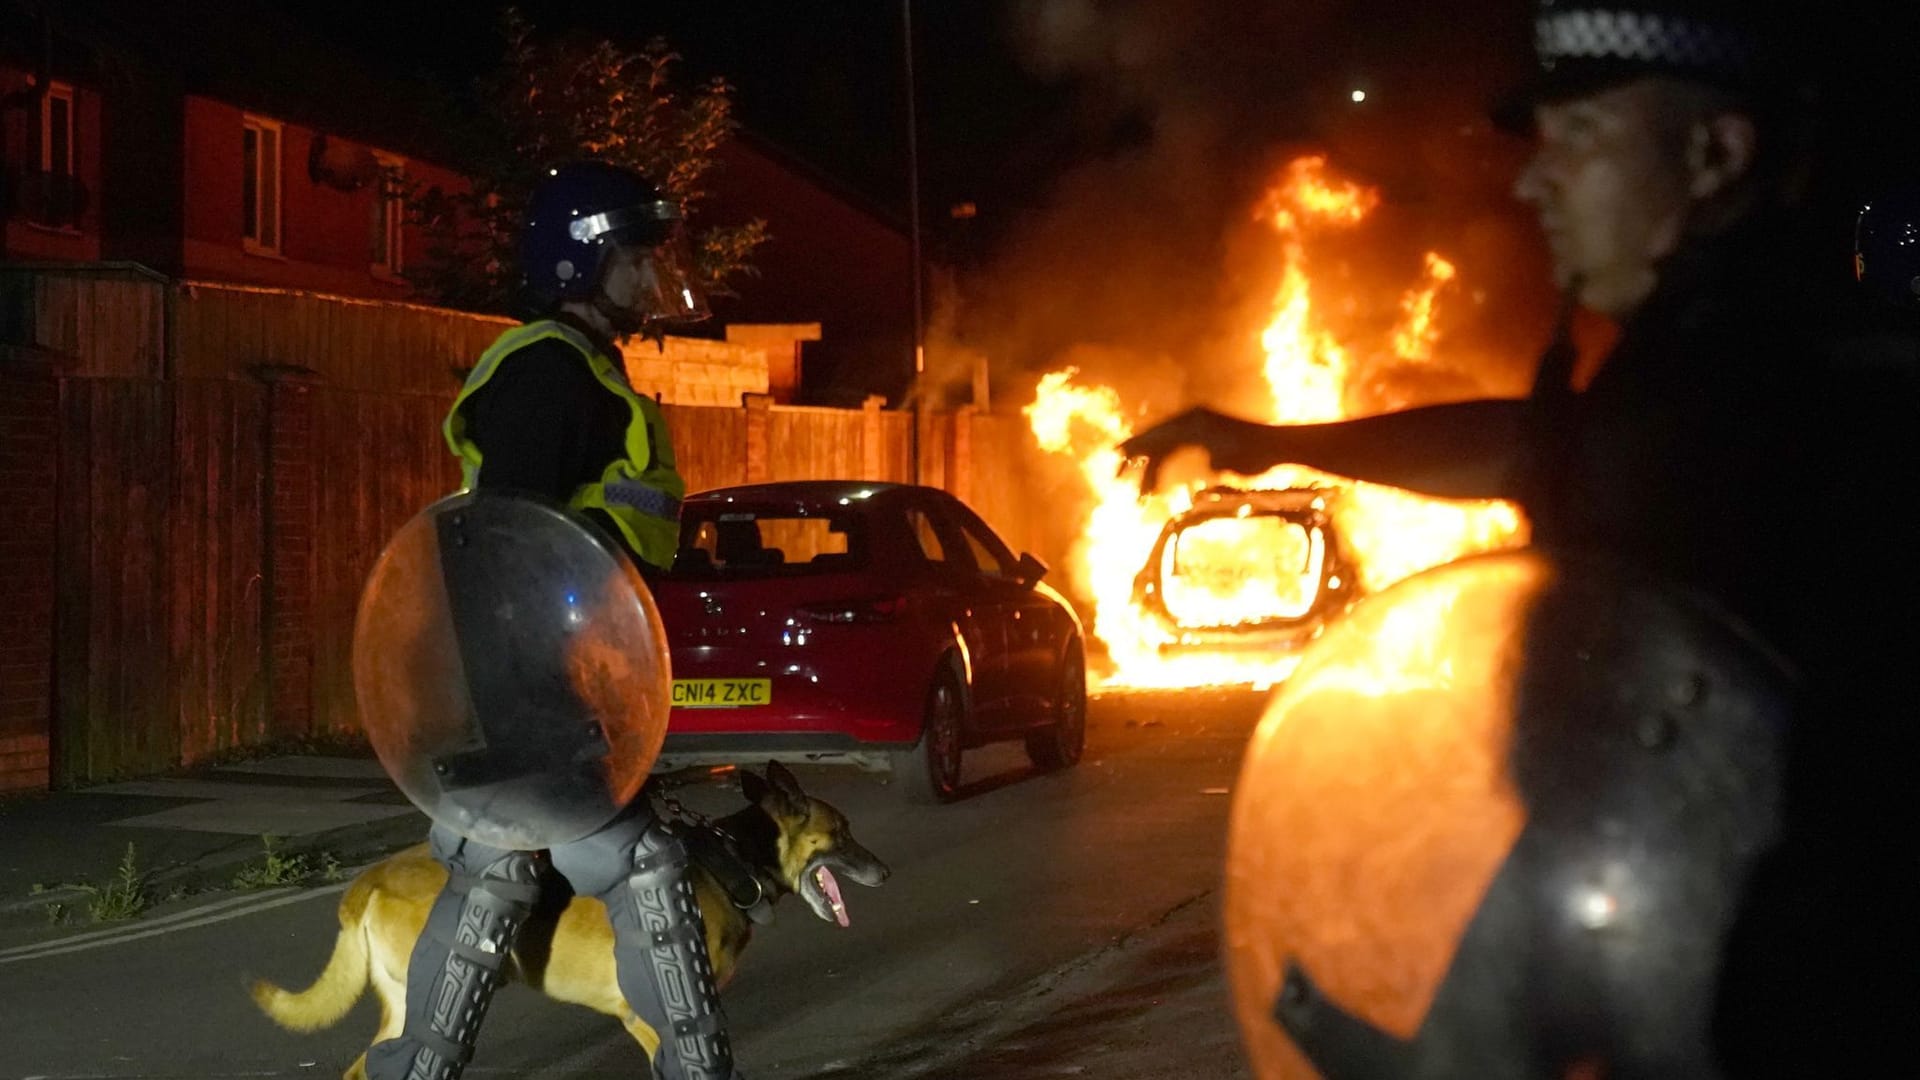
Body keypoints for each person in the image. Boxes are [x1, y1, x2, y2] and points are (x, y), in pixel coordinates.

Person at [1125, 2, 1917, 1075]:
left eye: (1581, 140)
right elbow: (1532, 448)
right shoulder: (1694, 362)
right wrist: (1265, 440)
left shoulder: (1789, 401)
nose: (1534, 183)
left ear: (1714, 153)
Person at [365, 161, 741, 1080]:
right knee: (637, 864)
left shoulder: (577, 369)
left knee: (498, 870)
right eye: (634, 259)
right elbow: (505, 551)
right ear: (581, 264)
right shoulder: (545, 374)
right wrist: (528, 707)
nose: (653, 279)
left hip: (547, 685)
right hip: (525, 690)